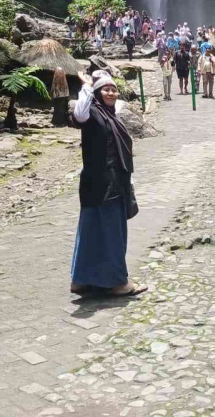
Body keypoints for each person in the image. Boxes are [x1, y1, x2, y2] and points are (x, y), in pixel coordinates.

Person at [71, 73, 147, 297]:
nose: (111, 92)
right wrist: (86, 86)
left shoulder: (110, 116)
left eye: (114, 89)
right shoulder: (92, 113)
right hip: (104, 185)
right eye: (106, 89)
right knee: (111, 233)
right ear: (96, 93)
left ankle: (81, 280)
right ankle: (117, 283)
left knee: (91, 231)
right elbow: (79, 114)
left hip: (108, 182)